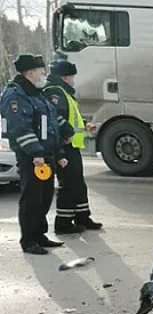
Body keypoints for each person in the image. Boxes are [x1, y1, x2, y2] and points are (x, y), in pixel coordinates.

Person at [0, 54, 74, 255]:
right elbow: (20, 128)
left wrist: (64, 132)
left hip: (46, 154)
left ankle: (40, 235)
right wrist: (36, 153)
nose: (44, 75)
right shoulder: (16, 95)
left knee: (44, 197)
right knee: (32, 199)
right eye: (42, 72)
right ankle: (29, 240)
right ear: (31, 73)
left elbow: (49, 120)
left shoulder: (35, 92)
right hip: (31, 156)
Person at [44, 59, 102, 233]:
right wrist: (67, 133)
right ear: (63, 76)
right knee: (68, 184)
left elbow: (71, 117)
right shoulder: (54, 92)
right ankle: (63, 222)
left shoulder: (65, 92)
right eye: (71, 76)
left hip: (72, 145)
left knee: (78, 183)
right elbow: (56, 117)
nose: (73, 80)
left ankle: (82, 217)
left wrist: (85, 125)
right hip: (63, 145)